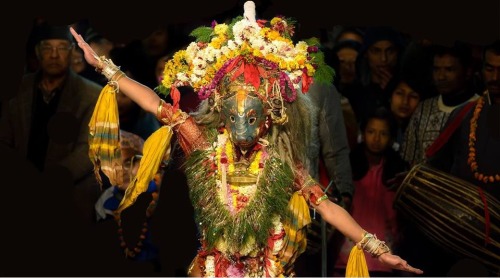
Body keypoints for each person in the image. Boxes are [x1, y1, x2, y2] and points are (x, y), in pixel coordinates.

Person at [71, 2, 424, 276]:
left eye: (252, 118)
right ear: (221, 111)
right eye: (236, 115)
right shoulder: (205, 143)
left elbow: (326, 205)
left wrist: (375, 248)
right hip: (213, 267)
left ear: (269, 117)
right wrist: (104, 66)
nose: (244, 128)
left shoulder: (280, 160)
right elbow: (154, 102)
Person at [0, 22, 102, 223]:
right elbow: (4, 137)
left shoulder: (91, 94)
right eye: (47, 48)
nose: (54, 55)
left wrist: (49, 181)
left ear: (72, 52)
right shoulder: (19, 88)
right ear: (38, 52)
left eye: (62, 48)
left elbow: (89, 148)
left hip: (69, 190)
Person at [423, 39, 500, 276]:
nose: (495, 76)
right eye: (490, 68)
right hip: (466, 234)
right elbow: (438, 167)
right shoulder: (466, 114)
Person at [334, 107, 409, 276]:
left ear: (391, 138)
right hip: (348, 257)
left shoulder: (397, 170)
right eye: (371, 132)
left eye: (383, 134)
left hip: (384, 260)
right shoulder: (349, 165)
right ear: (363, 133)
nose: (376, 139)